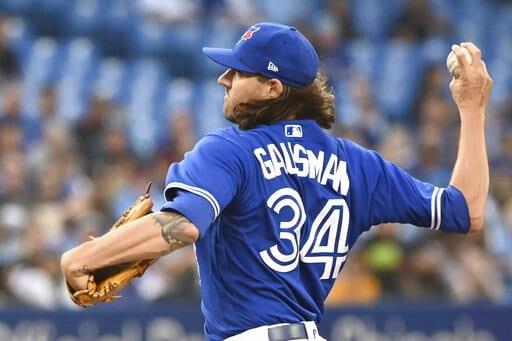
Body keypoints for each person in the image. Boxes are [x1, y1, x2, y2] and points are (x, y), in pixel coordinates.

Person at [61, 22, 493, 340]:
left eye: (238, 72)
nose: (223, 79)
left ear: (273, 87)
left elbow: (182, 225)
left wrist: (83, 258)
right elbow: (467, 210)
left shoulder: (229, 149)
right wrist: (472, 109)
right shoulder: (359, 165)